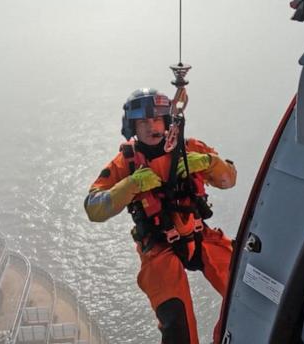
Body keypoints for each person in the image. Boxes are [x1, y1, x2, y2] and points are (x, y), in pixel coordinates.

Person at [84, 88, 237, 344]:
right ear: (132, 126)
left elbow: (229, 179)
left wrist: (209, 162)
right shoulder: (126, 163)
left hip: (199, 235)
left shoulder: (190, 148)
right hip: (158, 249)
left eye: (155, 119)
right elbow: (93, 207)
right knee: (177, 325)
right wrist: (131, 184)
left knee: (246, 287)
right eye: (142, 121)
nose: (150, 126)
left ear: (166, 122)